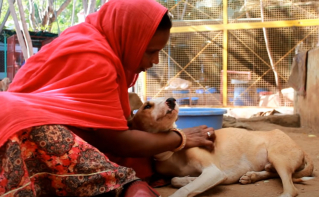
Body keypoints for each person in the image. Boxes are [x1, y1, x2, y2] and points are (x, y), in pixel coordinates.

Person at [0, 0, 215, 196]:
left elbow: (105, 132)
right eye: (150, 51)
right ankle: (127, 187)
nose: (156, 61)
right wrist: (180, 138)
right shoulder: (96, 59)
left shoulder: (89, 39)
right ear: (129, 38)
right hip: (17, 122)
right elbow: (116, 140)